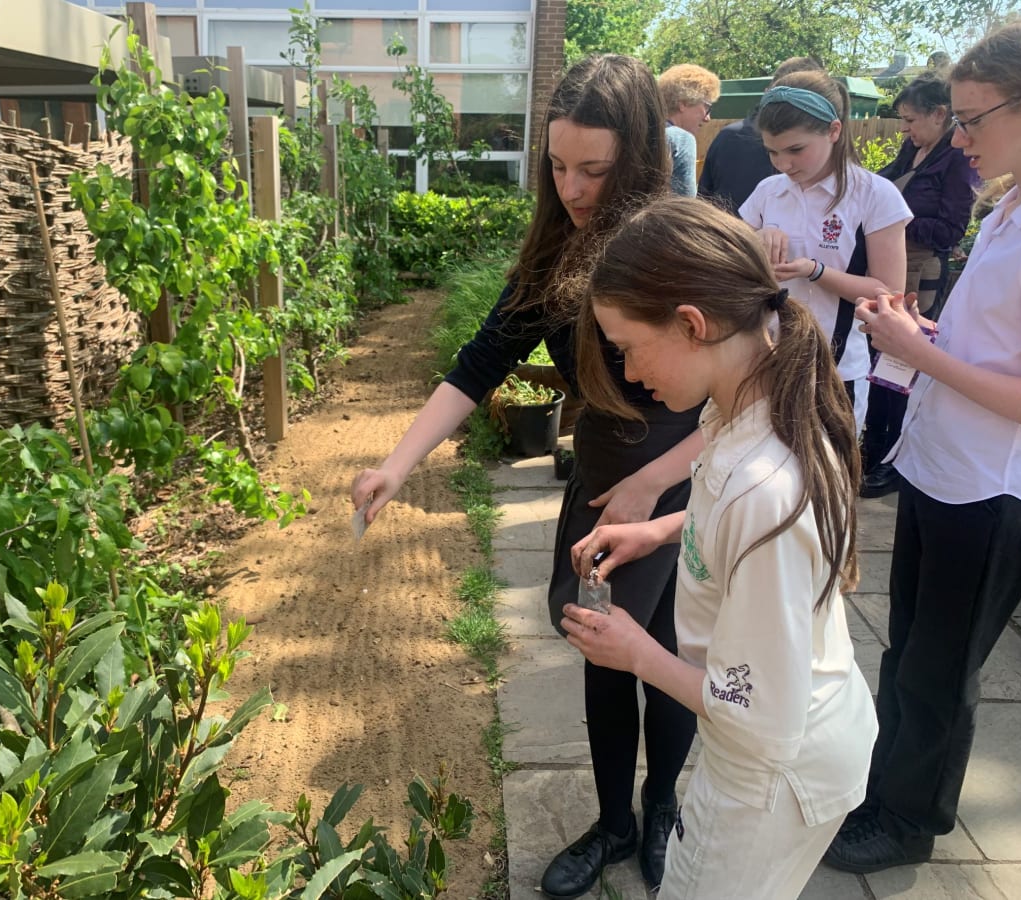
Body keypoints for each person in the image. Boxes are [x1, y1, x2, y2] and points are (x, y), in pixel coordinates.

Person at [350, 55, 703, 897]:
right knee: (606, 654)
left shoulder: (682, 247)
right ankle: (613, 822)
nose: (572, 188)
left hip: (688, 481)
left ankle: (662, 812)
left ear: (643, 157)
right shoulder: (554, 251)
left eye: (594, 169)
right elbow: (477, 366)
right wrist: (396, 464)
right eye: (556, 165)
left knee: (679, 655)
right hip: (603, 481)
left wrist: (658, 486)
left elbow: (752, 399)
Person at [561, 195, 877, 900]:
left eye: (627, 349)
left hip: (768, 772)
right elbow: (733, 526)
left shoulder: (765, 484)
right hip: (791, 739)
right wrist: (660, 528)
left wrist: (634, 652)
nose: (628, 373)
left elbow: (761, 718)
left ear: (692, 324)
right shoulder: (744, 407)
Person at [824, 16, 1021, 874]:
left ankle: (910, 823)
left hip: (993, 489)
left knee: (939, 671)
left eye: (975, 118)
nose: (962, 137)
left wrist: (917, 353)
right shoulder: (1013, 202)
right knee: (906, 650)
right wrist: (927, 336)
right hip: (942, 468)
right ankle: (883, 792)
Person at [739, 70, 911, 425]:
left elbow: (888, 294)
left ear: (834, 131)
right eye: (772, 152)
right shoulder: (769, 191)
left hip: (834, 371)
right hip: (764, 361)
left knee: (828, 476)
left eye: (796, 150)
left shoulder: (874, 195)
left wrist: (815, 271)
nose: (783, 164)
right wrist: (756, 240)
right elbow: (732, 266)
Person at [859, 72, 978, 498]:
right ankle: (873, 450)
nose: (904, 128)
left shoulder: (958, 159)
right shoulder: (913, 148)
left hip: (920, 277)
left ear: (939, 114)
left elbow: (950, 229)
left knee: (901, 368)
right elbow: (878, 184)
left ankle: (891, 458)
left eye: (910, 119)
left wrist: (896, 219)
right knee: (878, 365)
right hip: (889, 268)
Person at [698, 56, 824, 213]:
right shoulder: (731, 138)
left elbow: (703, 207)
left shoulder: (727, 137)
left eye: (795, 149)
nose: (784, 164)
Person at [658, 64, 721, 197]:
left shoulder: (640, 133)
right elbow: (684, 204)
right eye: (706, 107)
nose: (707, 118)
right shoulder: (681, 139)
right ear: (684, 103)